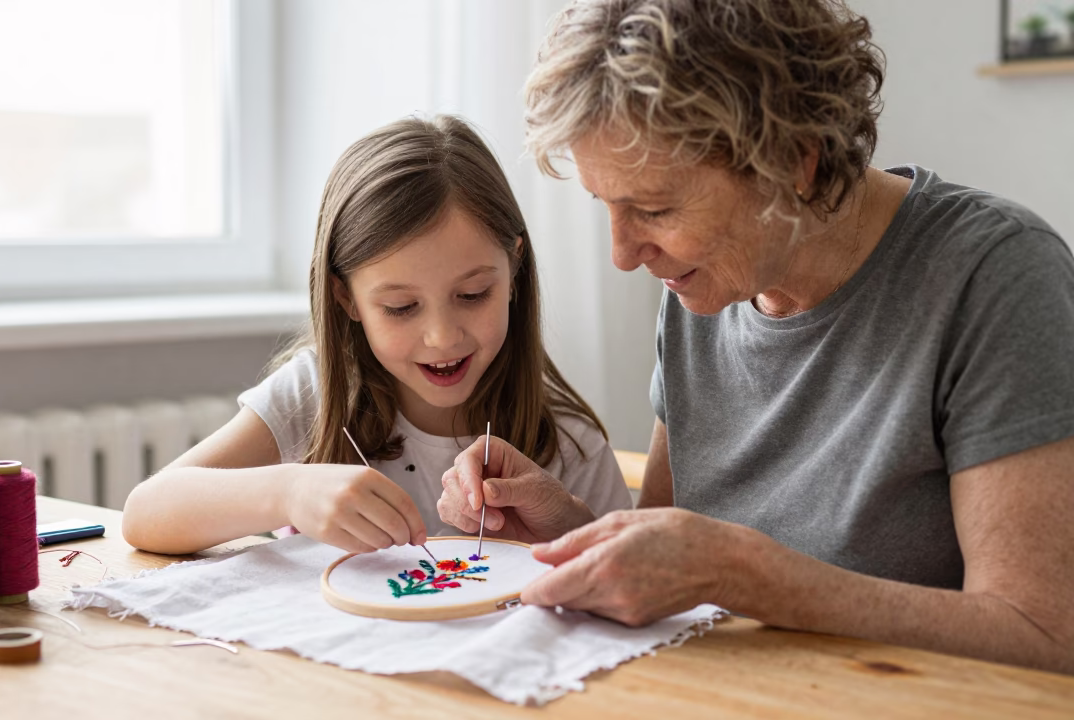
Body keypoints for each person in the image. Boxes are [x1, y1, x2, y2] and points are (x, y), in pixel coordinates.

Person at [437, 0, 1074, 673]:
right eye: (608, 207)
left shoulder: (995, 276)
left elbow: (1044, 635)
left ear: (793, 163)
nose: (624, 254)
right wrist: (566, 529)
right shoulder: (702, 285)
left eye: (654, 208)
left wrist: (750, 576)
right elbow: (674, 559)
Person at [122, 115, 631, 555]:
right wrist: (289, 490)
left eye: (473, 295)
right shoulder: (313, 397)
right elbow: (145, 511)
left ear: (515, 269)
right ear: (347, 300)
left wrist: (567, 525)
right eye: (400, 307)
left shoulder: (569, 447)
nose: (441, 337)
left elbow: (638, 602)